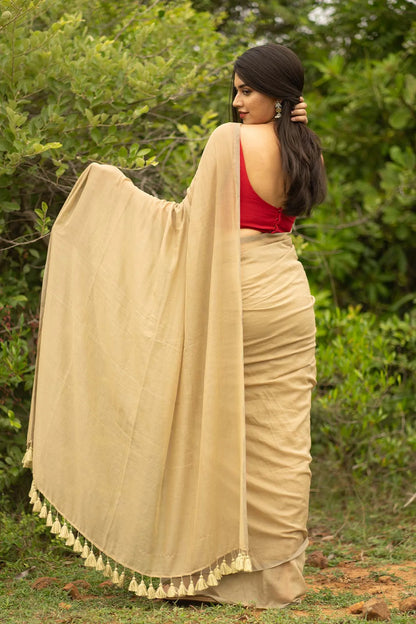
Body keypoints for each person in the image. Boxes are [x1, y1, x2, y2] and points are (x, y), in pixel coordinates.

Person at [24, 43, 326, 610]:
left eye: (248, 91)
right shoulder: (304, 144)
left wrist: (109, 192)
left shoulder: (228, 141)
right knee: (281, 439)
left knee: (213, 433)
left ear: (277, 95)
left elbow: (189, 223)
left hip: (234, 299)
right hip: (287, 299)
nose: (237, 102)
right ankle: (276, 583)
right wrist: (294, 122)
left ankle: (210, 574)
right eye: (235, 90)